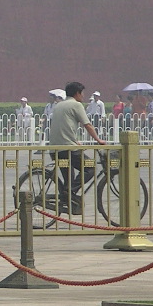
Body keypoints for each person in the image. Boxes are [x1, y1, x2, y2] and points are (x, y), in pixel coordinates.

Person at [49, 81, 105, 214]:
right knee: (90, 167)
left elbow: (64, 126)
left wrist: (75, 141)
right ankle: (69, 192)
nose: (83, 96)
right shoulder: (76, 105)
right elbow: (88, 125)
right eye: (82, 93)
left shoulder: (58, 105)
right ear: (77, 93)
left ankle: (68, 197)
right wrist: (98, 140)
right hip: (68, 149)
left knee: (69, 179)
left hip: (55, 149)